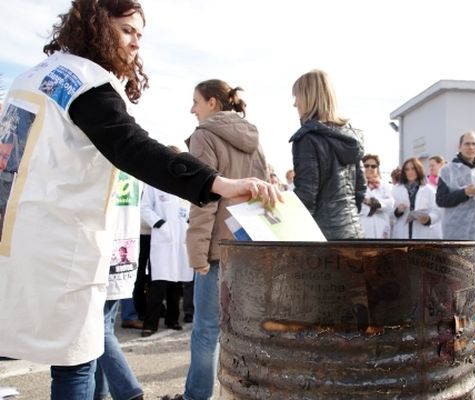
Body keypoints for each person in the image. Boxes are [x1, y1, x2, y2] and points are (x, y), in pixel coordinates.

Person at [0, 2, 281, 399]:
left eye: (140, 36)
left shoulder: (29, 79)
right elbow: (133, 148)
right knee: (74, 365)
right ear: (97, 25)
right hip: (64, 247)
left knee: (67, 353)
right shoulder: (86, 83)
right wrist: (218, 184)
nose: (135, 44)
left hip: (20, 238)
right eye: (127, 30)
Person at [179, 79, 269, 400]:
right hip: (250, 246)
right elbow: (264, 193)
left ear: (213, 103)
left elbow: (204, 198)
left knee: (206, 331)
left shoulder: (205, 135)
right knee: (246, 330)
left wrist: (197, 253)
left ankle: (197, 396)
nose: (192, 108)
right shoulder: (254, 140)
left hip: (218, 249)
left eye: (196, 101)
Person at [289, 69, 365, 239]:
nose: (295, 104)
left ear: (309, 98)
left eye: (297, 97)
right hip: (353, 231)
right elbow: (360, 189)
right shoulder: (349, 137)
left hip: (321, 237)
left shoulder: (307, 138)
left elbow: (306, 196)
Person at [436, 131, 475, 311]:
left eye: (474, 144)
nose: (471, 147)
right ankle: (457, 313)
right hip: (457, 230)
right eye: (467, 144)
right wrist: (464, 193)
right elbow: (441, 200)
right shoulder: (447, 171)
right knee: (458, 273)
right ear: (460, 146)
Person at [95, 171, 143, 400]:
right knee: (104, 324)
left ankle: (128, 391)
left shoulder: (103, 157)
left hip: (104, 249)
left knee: (97, 328)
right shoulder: (132, 165)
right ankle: (99, 390)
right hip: (125, 249)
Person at [140, 155, 194, 337]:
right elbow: (144, 208)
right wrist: (159, 224)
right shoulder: (154, 183)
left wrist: (188, 222)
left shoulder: (184, 184)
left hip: (180, 240)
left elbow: (190, 208)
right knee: (158, 284)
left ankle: (172, 320)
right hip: (163, 239)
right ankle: (150, 324)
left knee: (176, 284)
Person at [390, 157, 441, 239]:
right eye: (407, 169)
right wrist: (397, 211)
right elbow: (389, 212)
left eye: (413, 169)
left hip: (422, 233)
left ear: (418, 170)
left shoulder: (428, 190)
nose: (410, 172)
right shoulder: (396, 190)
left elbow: (437, 211)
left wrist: (428, 219)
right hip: (402, 234)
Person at [359, 154, 394, 238]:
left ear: (377, 168)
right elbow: (357, 206)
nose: (369, 168)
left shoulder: (385, 185)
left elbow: (390, 204)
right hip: (363, 227)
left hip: (381, 227)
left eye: (373, 166)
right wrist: (373, 208)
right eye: (366, 166)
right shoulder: (358, 185)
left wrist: (374, 203)